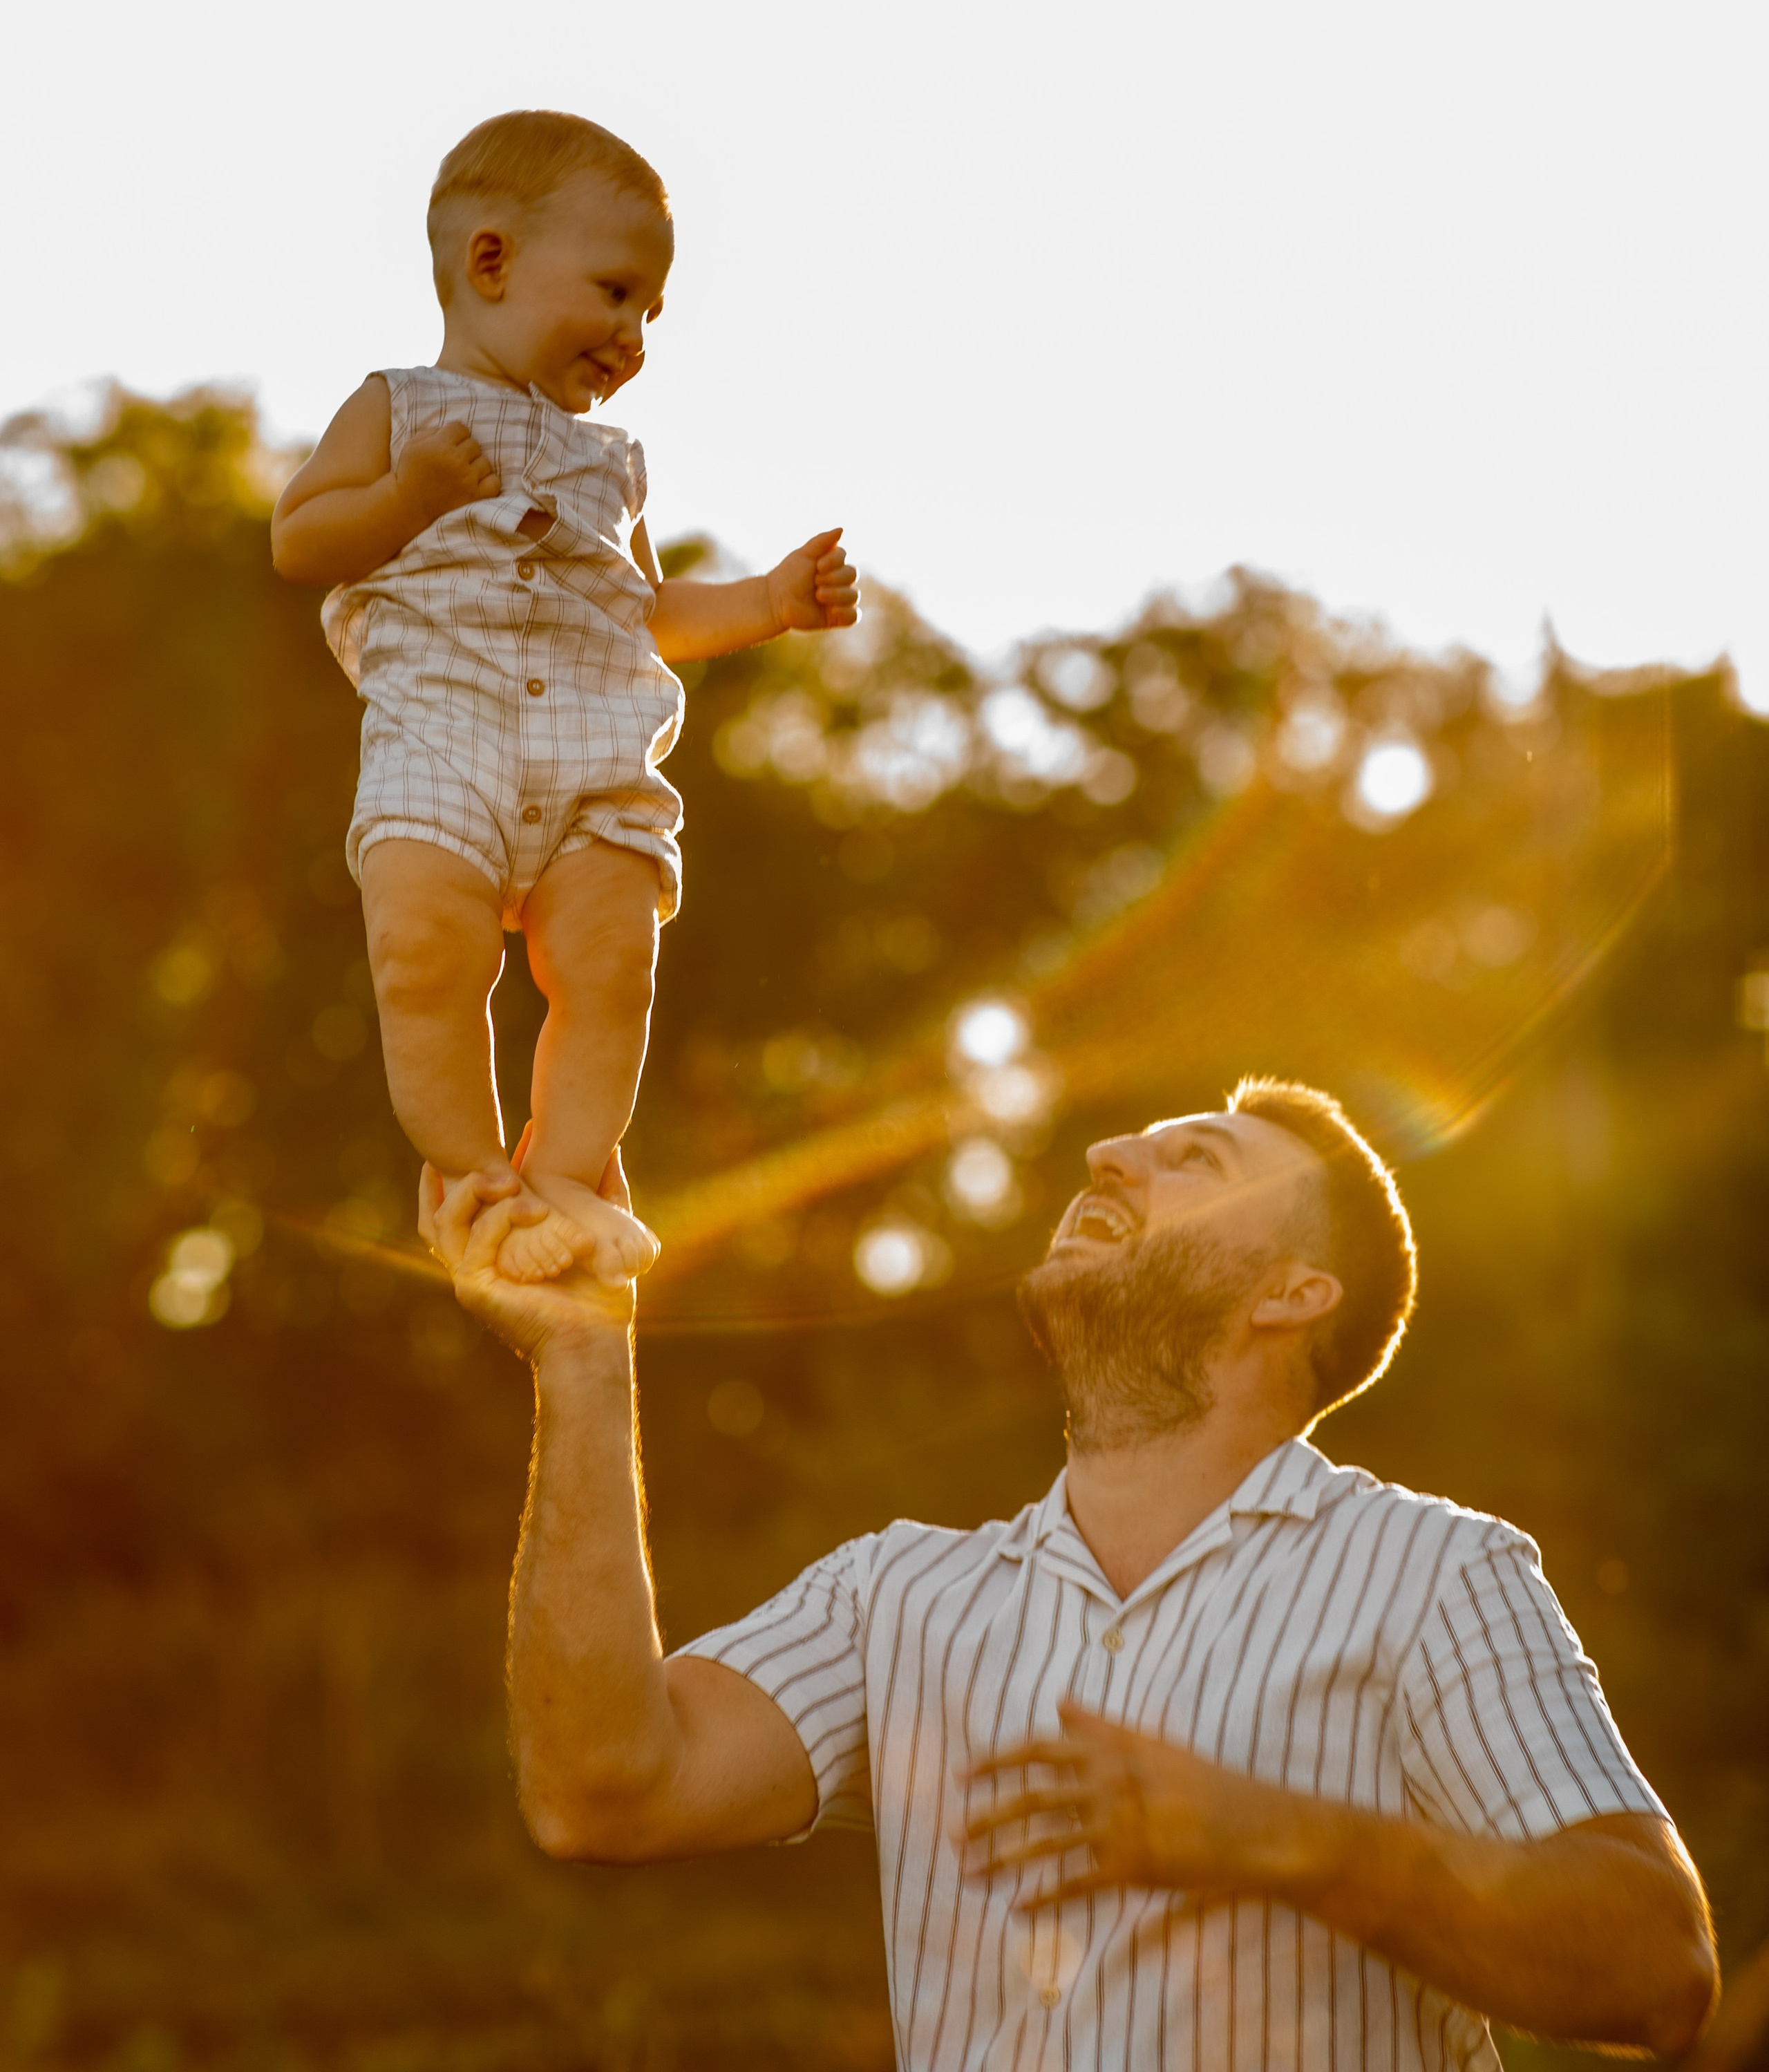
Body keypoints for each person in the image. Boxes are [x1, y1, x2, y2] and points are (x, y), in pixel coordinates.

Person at [424, 1075, 1719, 2067]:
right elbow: (602, 1792)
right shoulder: (897, 1597)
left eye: (1192, 1158)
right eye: (1131, 1145)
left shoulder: (1437, 1572)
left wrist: (1291, 1840)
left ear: (1291, 1291)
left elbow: (1659, 1964)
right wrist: (585, 1364)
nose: (1109, 1155)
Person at [270, 110, 858, 1284]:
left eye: (651, 313)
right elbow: (300, 538)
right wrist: (407, 501)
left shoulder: (615, 465)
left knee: (613, 967)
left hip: (594, 765)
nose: (635, 334)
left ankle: (563, 1181)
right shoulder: (398, 408)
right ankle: (472, 1163)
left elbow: (645, 612)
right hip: (443, 742)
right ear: (492, 263)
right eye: (615, 291)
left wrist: (770, 600)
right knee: (425, 954)